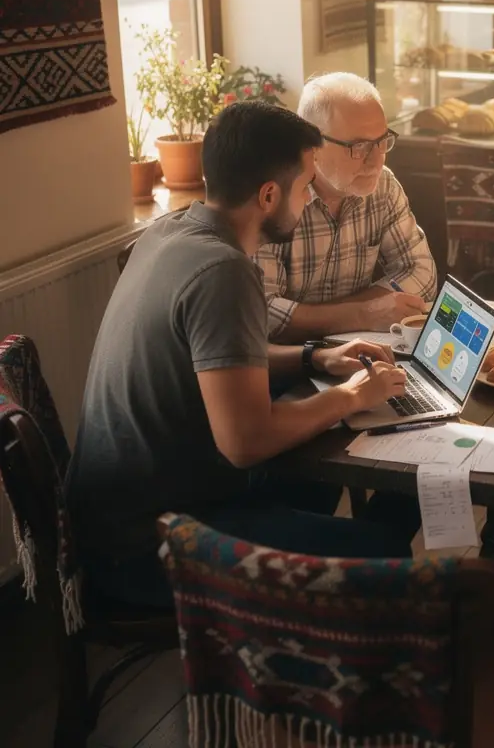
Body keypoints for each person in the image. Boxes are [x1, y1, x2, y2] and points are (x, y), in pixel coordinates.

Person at [68, 102, 417, 609]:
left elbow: (216, 362)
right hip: (153, 548)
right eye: (304, 188)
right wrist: (351, 395)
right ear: (269, 195)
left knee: (313, 485)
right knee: (384, 550)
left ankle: (298, 648)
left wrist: (314, 358)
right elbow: (246, 443)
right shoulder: (223, 272)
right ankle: (314, 669)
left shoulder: (170, 232)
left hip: (117, 517)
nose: (308, 199)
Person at [256, 72, 437, 342]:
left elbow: (422, 274)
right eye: (359, 146)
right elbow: (263, 314)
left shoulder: (383, 185)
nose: (376, 161)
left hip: (357, 353)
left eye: (382, 141)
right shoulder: (273, 198)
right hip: (284, 366)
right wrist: (362, 314)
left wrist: (324, 317)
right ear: (311, 145)